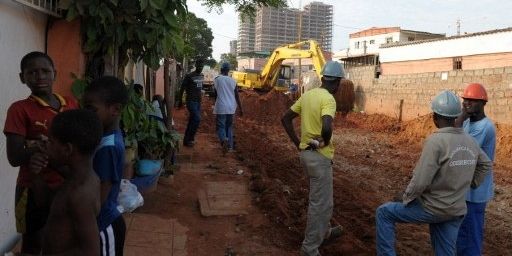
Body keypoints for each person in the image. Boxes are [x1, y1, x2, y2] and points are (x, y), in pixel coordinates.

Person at [375, 90, 493, 256]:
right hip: (456, 210)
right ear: (456, 116)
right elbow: (486, 164)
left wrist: (406, 197)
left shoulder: (435, 141)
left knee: (384, 213)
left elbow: (421, 180)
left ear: (435, 117)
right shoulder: (469, 140)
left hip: (433, 209)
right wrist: (472, 183)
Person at [3, 51, 78, 254]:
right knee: (33, 244)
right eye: (32, 72)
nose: (40, 76)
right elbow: (14, 156)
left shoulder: (71, 104)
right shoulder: (19, 109)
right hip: (31, 188)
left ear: (55, 73)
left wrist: (39, 146)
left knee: (63, 241)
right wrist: (37, 148)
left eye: (45, 71)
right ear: (22, 77)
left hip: (66, 184)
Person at [281, 61, 345, 256]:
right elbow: (327, 126)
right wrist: (324, 141)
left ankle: (323, 233)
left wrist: (298, 143)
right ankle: (309, 249)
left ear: (323, 78)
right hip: (319, 158)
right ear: (338, 82)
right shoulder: (328, 99)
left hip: (306, 156)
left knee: (324, 202)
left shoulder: (308, 95)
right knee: (320, 204)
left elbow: (285, 119)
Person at [39, 109, 102, 256]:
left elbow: (91, 252)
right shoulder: (82, 176)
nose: (46, 145)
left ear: (67, 149)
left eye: (51, 142)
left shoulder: (79, 195)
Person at [82, 76, 129, 256]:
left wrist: (85, 223)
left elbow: (102, 193)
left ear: (115, 109)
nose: (86, 114)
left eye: (91, 109)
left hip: (103, 225)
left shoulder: (107, 147)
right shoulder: (104, 138)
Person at [455, 83, 496, 255]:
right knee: (461, 234)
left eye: (472, 100)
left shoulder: (486, 127)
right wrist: (461, 119)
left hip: (476, 192)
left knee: (472, 237)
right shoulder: (465, 123)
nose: (467, 103)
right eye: (465, 100)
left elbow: (464, 149)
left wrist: (460, 118)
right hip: (464, 189)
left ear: (483, 104)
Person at [213, 62, 243, 154]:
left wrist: (215, 104)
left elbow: (215, 94)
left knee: (220, 126)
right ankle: (229, 146)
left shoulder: (217, 79)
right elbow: (237, 96)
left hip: (221, 106)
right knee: (229, 126)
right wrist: (241, 109)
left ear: (221, 70)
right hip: (231, 107)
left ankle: (223, 140)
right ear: (228, 70)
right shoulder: (233, 81)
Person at [177, 59, 204, 147]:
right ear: (196, 65)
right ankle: (190, 138)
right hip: (191, 101)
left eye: (202, 66)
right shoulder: (189, 76)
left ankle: (186, 140)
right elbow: (182, 88)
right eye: (199, 66)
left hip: (198, 102)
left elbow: (199, 89)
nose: (200, 68)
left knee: (192, 120)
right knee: (197, 119)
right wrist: (180, 100)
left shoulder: (201, 76)